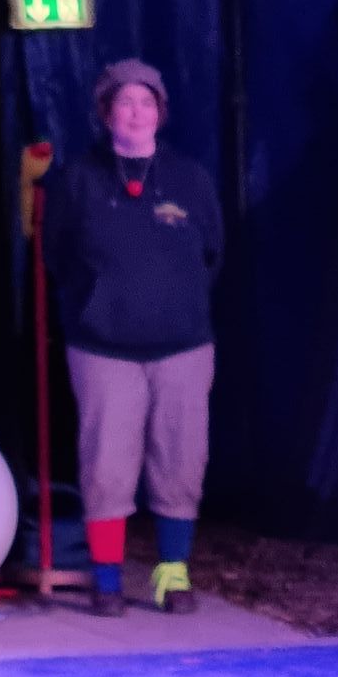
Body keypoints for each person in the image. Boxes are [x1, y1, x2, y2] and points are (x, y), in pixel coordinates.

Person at [43, 59, 222, 615]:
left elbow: (212, 252)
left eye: (146, 102)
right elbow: (57, 253)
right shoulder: (77, 179)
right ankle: (108, 581)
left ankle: (173, 575)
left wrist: (175, 304)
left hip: (183, 346)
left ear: (160, 112)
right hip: (103, 350)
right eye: (125, 102)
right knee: (106, 466)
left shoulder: (190, 178)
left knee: (181, 461)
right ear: (106, 112)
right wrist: (97, 306)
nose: (136, 112)